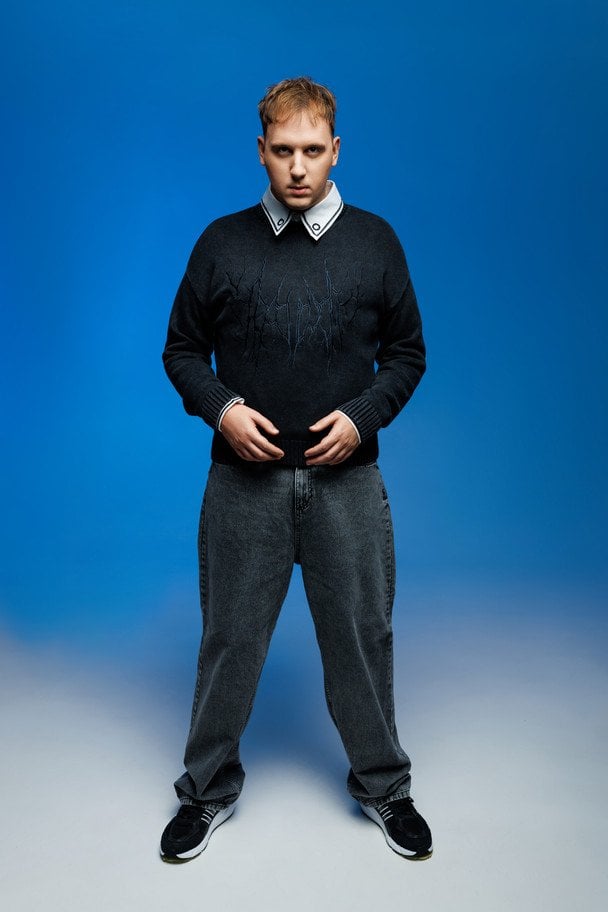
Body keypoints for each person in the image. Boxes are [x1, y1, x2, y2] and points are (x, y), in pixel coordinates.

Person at [159, 76, 432, 863]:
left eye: (313, 150)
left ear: (336, 149)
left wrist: (363, 417)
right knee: (230, 640)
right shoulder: (221, 243)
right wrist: (221, 408)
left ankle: (384, 786)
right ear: (261, 151)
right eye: (284, 151)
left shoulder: (375, 242)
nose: (300, 167)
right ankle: (206, 790)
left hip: (348, 484)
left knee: (362, 639)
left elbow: (407, 354)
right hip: (243, 485)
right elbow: (181, 351)